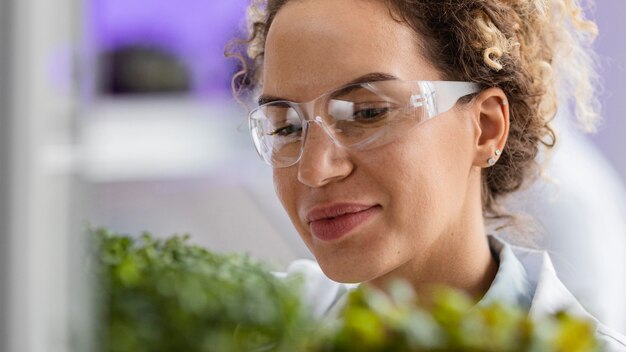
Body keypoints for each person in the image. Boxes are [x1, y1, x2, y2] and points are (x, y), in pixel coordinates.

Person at [227, 0, 626, 349]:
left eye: (367, 113)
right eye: (287, 128)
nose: (313, 170)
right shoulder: (250, 328)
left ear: (486, 128)